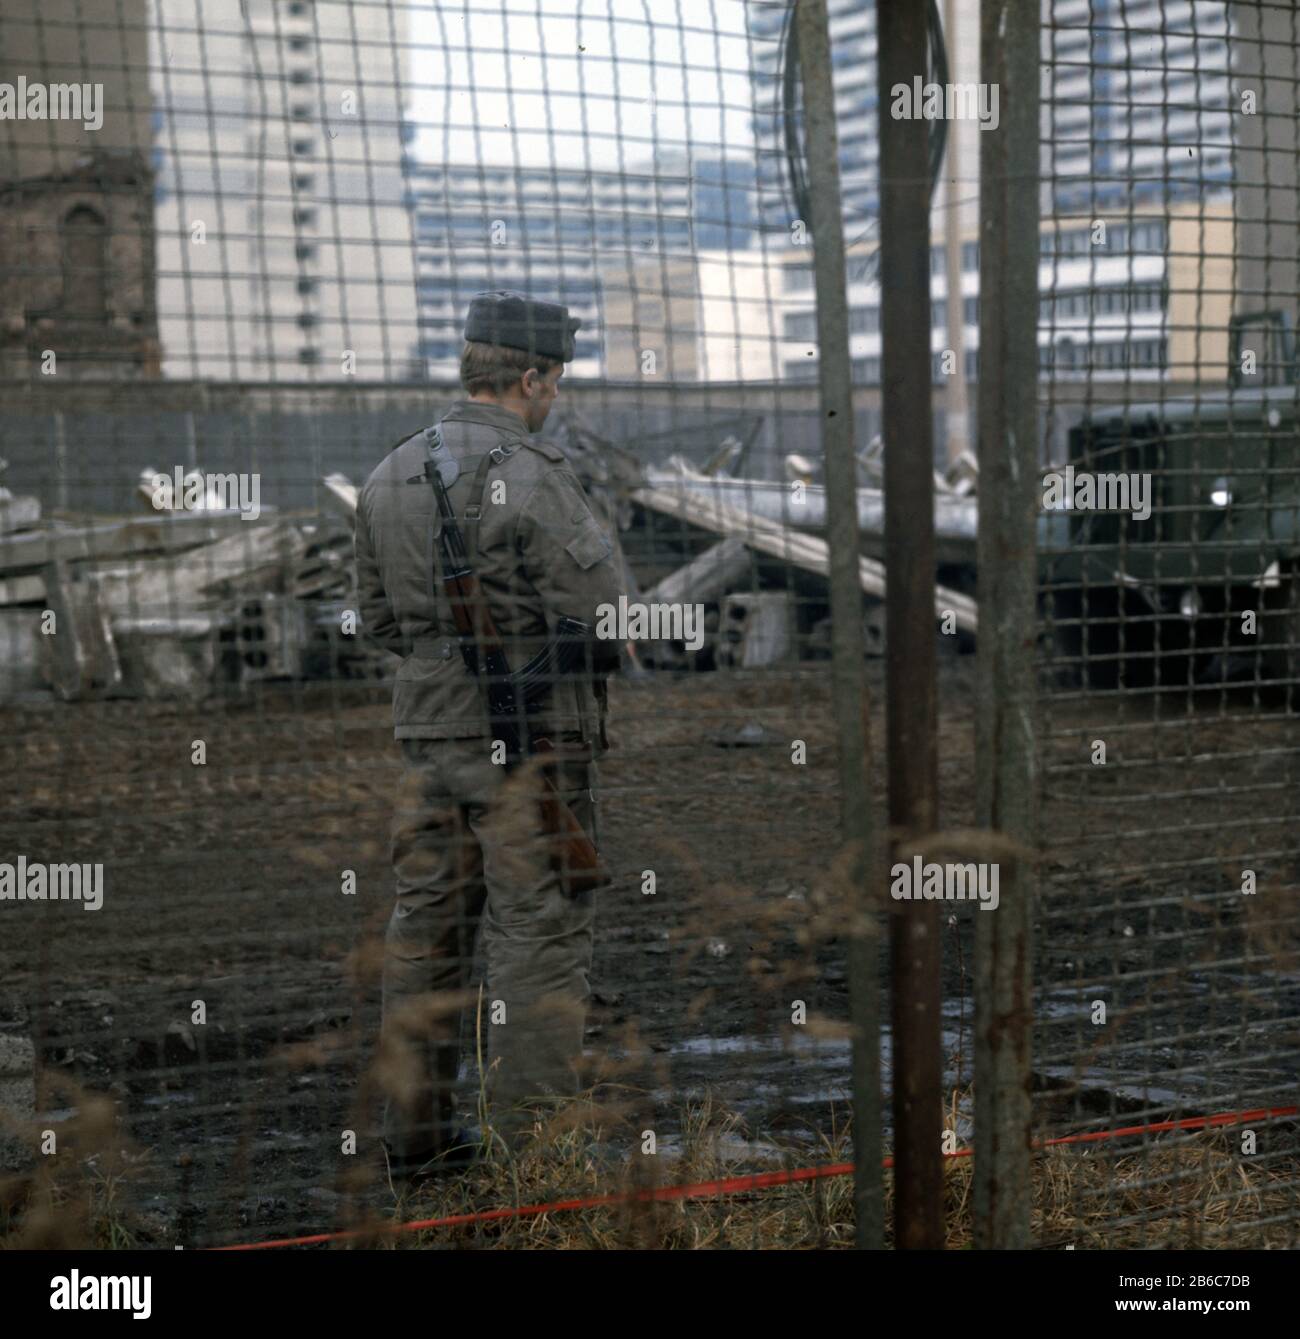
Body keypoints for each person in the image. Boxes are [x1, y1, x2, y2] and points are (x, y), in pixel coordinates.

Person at [354, 291, 624, 1178]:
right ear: (531, 376)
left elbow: (379, 623)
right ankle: (537, 1155)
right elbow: (609, 609)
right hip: (533, 748)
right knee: (536, 938)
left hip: (430, 745)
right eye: (556, 381)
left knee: (425, 932)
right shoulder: (532, 470)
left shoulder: (387, 472)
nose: (556, 398)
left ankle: (415, 1141)